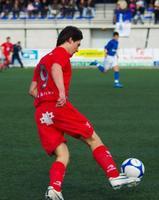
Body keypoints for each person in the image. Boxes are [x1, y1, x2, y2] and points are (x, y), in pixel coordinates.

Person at [28, 26, 140, 200]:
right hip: (58, 106)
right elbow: (56, 68)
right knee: (93, 138)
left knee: (62, 153)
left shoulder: (42, 60)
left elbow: (32, 90)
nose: (77, 49)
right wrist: (61, 92)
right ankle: (114, 176)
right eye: (77, 44)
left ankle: (54, 189)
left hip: (42, 112)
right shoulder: (60, 53)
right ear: (70, 40)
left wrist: (45, 99)